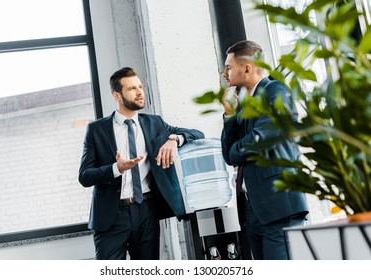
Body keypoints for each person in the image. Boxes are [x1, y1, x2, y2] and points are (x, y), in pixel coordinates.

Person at [78, 66, 204, 260]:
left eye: (140, 87)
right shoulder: (97, 130)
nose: (139, 93)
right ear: (117, 96)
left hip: (146, 211)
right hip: (111, 217)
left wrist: (173, 140)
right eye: (131, 89)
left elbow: (197, 134)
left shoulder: (154, 124)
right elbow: (85, 176)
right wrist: (115, 169)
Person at [220, 40, 309, 260]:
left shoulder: (276, 91)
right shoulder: (245, 106)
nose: (224, 74)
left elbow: (259, 140)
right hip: (255, 214)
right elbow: (228, 155)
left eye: (229, 67)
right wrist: (230, 114)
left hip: (280, 209)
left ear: (247, 68)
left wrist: (236, 150)